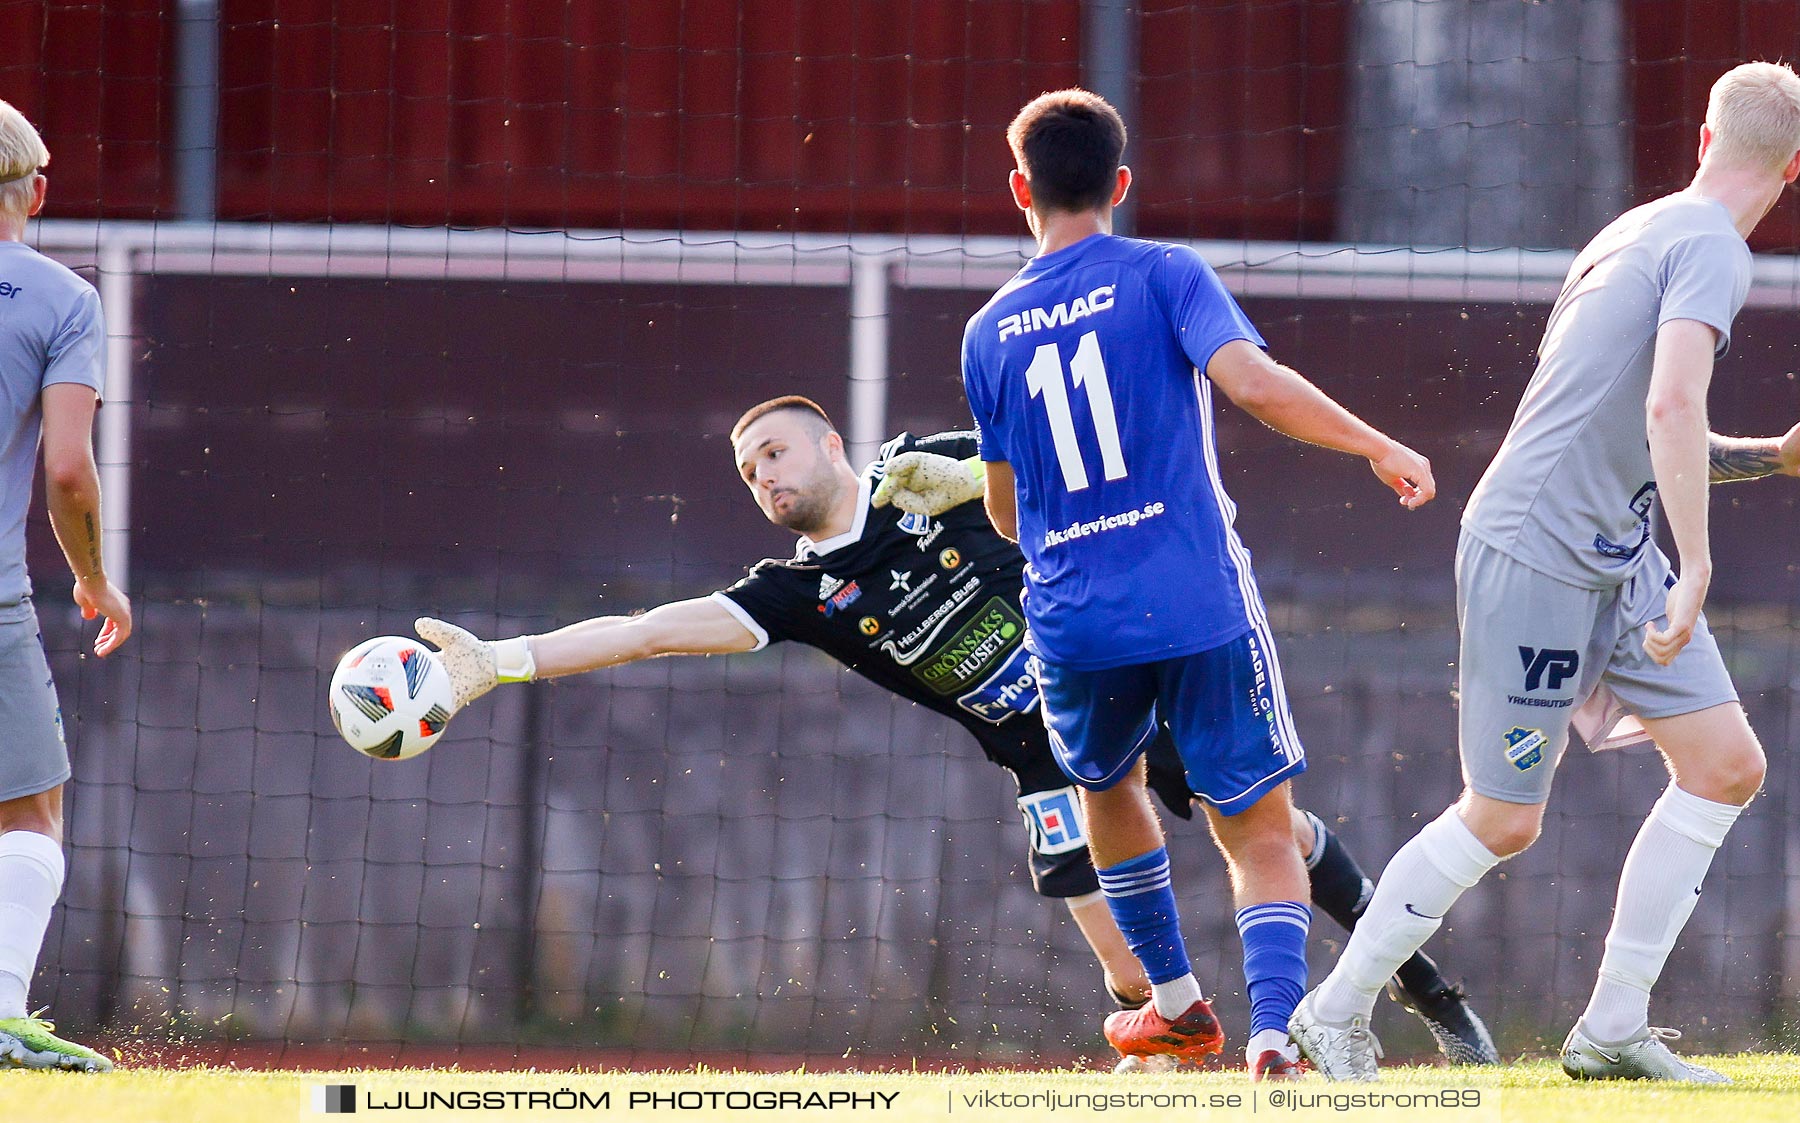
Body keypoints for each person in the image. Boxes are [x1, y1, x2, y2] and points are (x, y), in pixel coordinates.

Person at [411, 396, 1489, 1068]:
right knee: (1121, 968)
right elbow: (648, 633)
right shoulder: (798, 591)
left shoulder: (927, 469)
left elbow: (1068, 471)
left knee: (1281, 840)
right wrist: (502, 662)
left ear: (833, 439)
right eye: (750, 473)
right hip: (1043, 759)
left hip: (1128, 680)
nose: (767, 477)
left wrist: (979, 475)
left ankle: (1427, 990)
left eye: (777, 451)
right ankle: (1182, 1046)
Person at [1289, 61, 1800, 1083]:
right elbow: (1666, 409)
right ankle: (1331, 1011)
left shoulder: (1641, 227)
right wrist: (1697, 564)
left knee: (1725, 766)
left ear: (1704, 139)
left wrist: (1774, 457)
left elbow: (1646, 430)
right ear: (1794, 169)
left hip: (1614, 552)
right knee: (1505, 816)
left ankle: (1612, 1027)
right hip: (1538, 550)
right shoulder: (1710, 250)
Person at [958, 89, 1436, 1080]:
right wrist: (1376, 444)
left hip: (1071, 615)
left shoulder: (989, 331)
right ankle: (1273, 1030)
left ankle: (1174, 1004)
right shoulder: (1166, 272)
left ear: (1020, 190)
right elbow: (1253, 384)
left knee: (1105, 785)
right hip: (1191, 594)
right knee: (1257, 821)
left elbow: (1005, 514)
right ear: (1121, 184)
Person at [0, 99, 132, 1072]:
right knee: (32, 811)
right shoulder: (62, 299)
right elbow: (69, 472)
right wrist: (94, 578)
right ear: (35, 190)